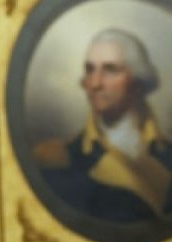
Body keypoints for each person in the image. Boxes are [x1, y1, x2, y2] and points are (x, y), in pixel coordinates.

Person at [34, 28, 172, 224]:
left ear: (137, 81)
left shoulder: (167, 154)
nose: (95, 83)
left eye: (110, 70)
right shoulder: (60, 160)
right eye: (90, 70)